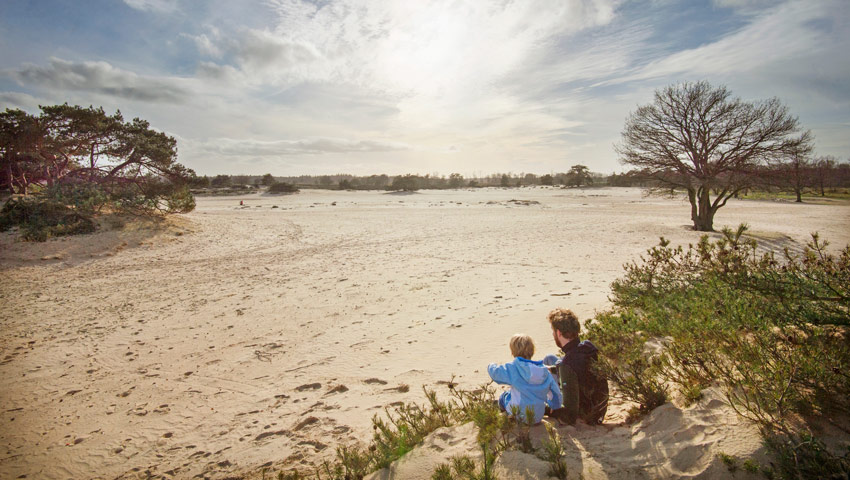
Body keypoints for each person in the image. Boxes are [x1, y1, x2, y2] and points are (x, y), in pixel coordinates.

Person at [543, 308, 609, 425]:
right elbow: (582, 370)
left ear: (559, 333)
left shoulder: (567, 364)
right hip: (599, 408)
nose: (553, 335)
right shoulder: (588, 347)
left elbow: (569, 414)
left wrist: (546, 410)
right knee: (550, 359)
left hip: (587, 415)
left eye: (553, 332)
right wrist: (553, 369)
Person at [488, 334, 563, 424]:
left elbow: (496, 374)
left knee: (504, 396)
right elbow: (555, 393)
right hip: (538, 416)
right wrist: (555, 406)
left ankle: (502, 411)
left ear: (513, 352)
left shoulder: (513, 368)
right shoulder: (544, 371)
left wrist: (491, 365)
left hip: (519, 414)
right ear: (532, 351)